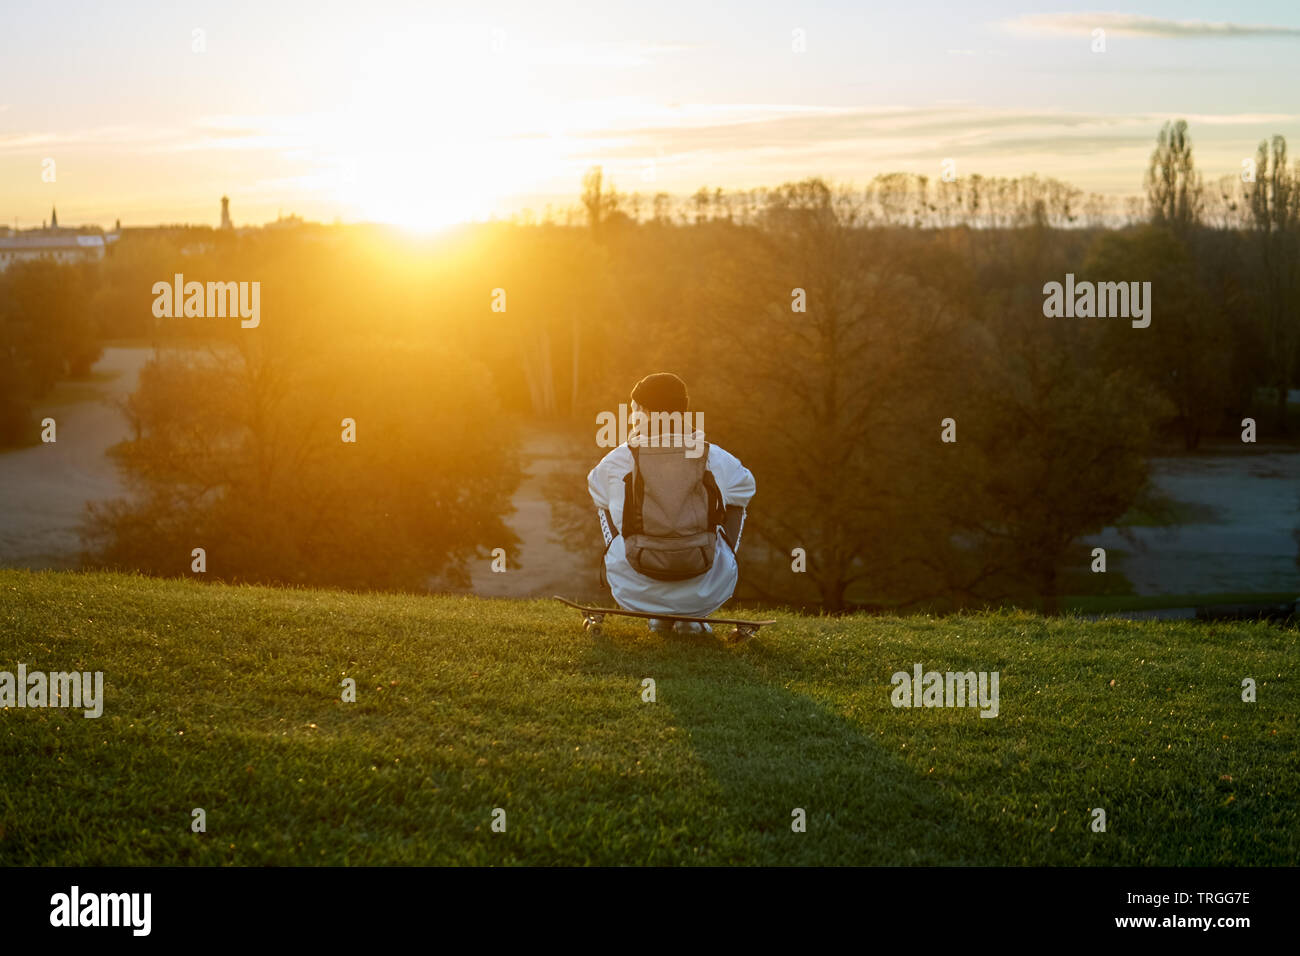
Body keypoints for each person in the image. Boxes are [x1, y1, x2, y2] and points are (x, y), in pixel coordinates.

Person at [587, 372, 755, 633]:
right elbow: (746, 487)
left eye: (634, 410)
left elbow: (597, 490)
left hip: (635, 589)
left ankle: (658, 610)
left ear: (644, 410)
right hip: (707, 590)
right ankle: (695, 609)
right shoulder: (715, 457)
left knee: (603, 502)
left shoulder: (615, 461)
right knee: (737, 501)